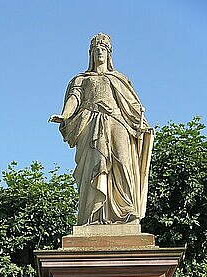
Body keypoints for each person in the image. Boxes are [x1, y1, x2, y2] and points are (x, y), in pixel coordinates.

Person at [49, 33, 154, 226]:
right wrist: (64, 115)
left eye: (103, 49)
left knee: (123, 162)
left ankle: (126, 209)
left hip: (117, 121)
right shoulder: (81, 79)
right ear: (90, 54)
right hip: (91, 123)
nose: (100, 52)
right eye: (96, 49)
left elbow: (132, 105)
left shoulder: (119, 79)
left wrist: (140, 120)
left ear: (109, 54)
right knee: (94, 168)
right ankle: (92, 214)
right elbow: (74, 99)